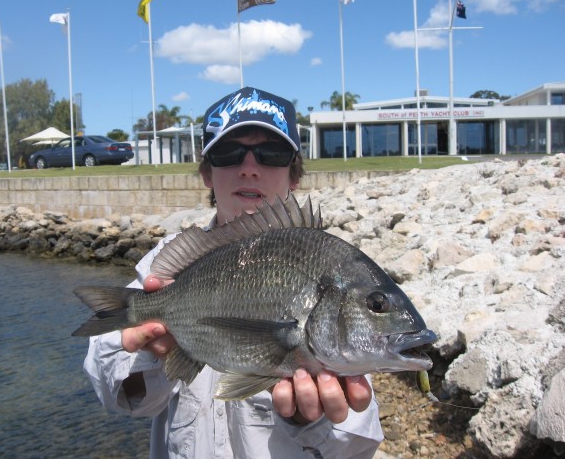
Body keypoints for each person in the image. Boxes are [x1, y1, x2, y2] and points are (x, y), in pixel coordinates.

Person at [83, 87, 384, 458]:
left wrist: (313, 422)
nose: (249, 167)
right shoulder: (168, 266)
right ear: (207, 173)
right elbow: (120, 397)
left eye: (271, 153)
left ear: (295, 175)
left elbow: (358, 444)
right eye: (229, 153)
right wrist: (149, 356)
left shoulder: (330, 270)